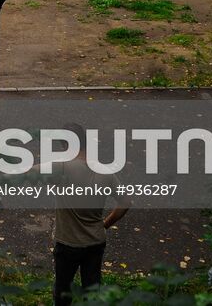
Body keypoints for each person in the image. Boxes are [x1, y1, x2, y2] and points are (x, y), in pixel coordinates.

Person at [52, 123, 129, 305]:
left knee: (63, 291)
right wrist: (104, 224)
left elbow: (25, 173)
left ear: (65, 145)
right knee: (92, 292)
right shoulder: (105, 171)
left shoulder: (60, 168)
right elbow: (125, 202)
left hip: (67, 242)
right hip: (95, 242)